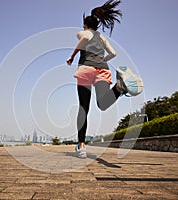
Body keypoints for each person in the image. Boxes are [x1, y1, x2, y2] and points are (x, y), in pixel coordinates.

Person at [66, 0, 126, 158]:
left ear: (85, 24)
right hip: (102, 70)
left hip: (86, 70)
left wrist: (72, 56)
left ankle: (81, 146)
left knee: (83, 108)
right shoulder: (102, 37)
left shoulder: (83, 32)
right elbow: (114, 53)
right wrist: (102, 61)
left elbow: (83, 39)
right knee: (103, 103)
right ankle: (119, 88)